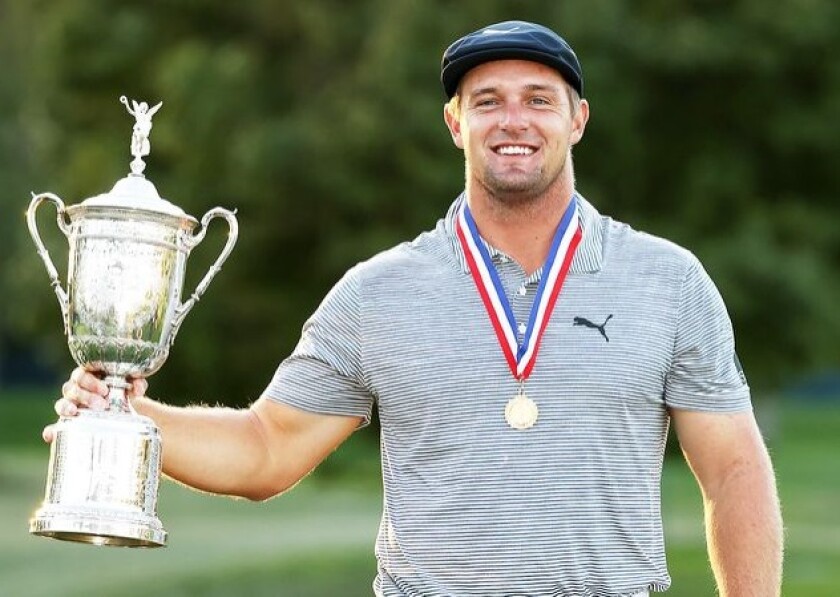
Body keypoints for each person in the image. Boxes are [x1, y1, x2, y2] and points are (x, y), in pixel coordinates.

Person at [50, 20, 783, 597]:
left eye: (539, 100)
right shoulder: (379, 290)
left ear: (578, 119)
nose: (513, 121)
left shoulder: (668, 280)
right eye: (487, 102)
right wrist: (131, 417)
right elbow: (267, 447)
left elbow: (735, 470)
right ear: (454, 122)